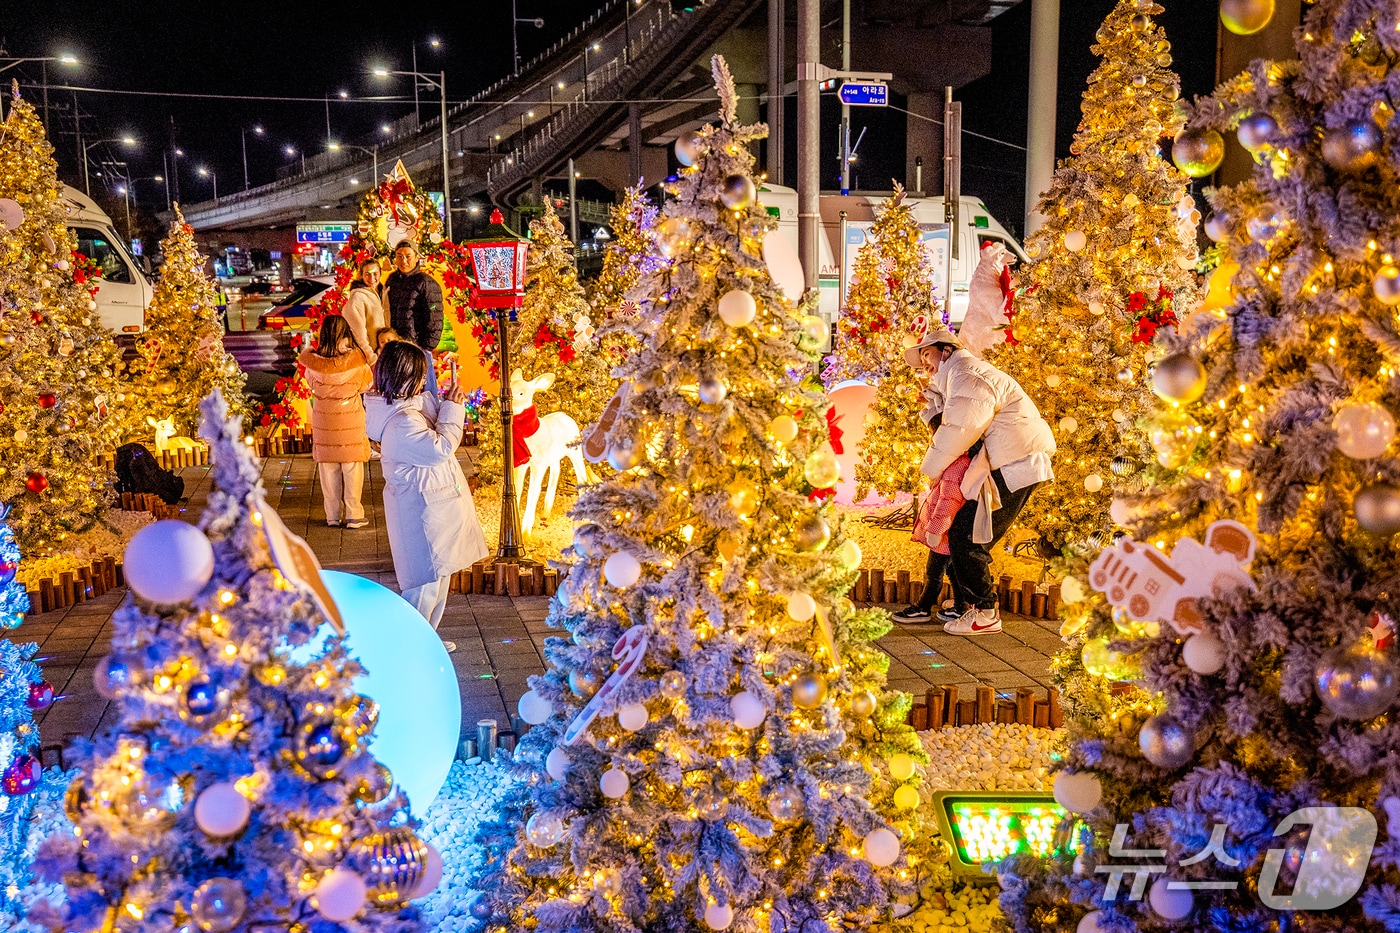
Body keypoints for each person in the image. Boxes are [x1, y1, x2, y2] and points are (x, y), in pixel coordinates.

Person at [892, 324, 1055, 635]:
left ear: (947, 350)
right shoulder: (958, 378)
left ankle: (984, 612)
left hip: (1015, 462)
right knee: (967, 535)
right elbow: (952, 423)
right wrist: (931, 406)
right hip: (1007, 462)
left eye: (927, 354)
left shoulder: (967, 374)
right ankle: (969, 604)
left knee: (967, 538)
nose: (925, 364)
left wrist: (932, 470)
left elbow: (961, 429)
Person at [365, 340, 488, 649]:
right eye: (418, 375)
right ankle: (409, 646)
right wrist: (454, 409)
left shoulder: (409, 408)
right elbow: (441, 447)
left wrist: (447, 401)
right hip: (421, 512)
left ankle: (425, 641)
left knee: (438, 579)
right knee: (423, 586)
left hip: (434, 506)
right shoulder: (402, 423)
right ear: (402, 376)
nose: (423, 382)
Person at [300, 315, 375, 529]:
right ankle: (354, 515)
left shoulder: (314, 363)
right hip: (350, 419)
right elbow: (366, 385)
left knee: (328, 470)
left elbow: (310, 382)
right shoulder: (357, 361)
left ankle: (332, 516)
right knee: (352, 469)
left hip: (324, 421)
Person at [383, 240, 443, 352]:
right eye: (399, 256)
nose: (403, 261)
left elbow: (434, 317)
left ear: (416, 257)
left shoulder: (426, 283)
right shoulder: (392, 280)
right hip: (395, 346)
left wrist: (426, 348)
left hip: (416, 347)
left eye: (408, 256)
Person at [342, 258, 387, 360]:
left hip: (384, 354)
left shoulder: (384, 293)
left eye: (375, 273)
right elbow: (358, 333)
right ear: (361, 275)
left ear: (380, 273)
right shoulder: (358, 297)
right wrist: (370, 357)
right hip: (371, 357)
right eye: (367, 274)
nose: (371, 278)